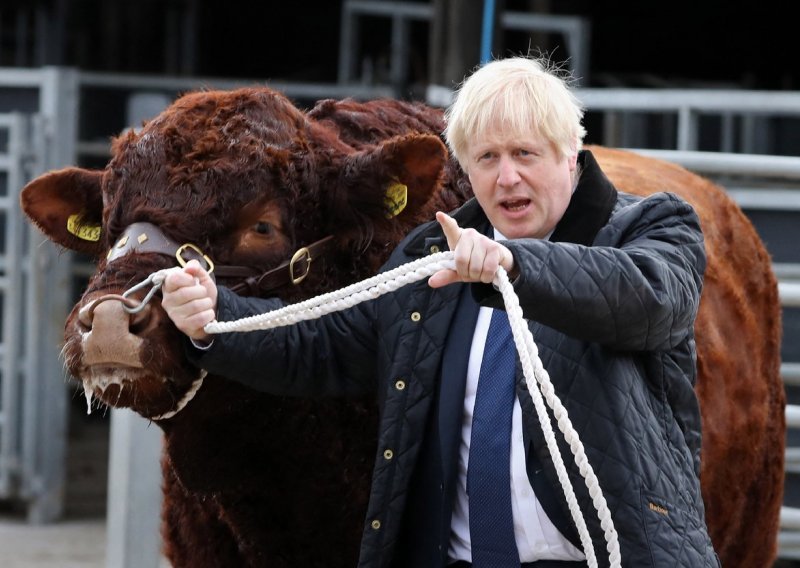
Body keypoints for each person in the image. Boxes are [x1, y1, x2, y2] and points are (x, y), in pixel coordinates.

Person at [161, 56, 719, 567]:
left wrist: (516, 264)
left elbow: (649, 300)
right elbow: (322, 346)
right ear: (465, 169)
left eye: (525, 154)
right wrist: (214, 318)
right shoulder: (432, 255)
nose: (507, 178)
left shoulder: (654, 227)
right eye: (487, 158)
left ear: (570, 153)